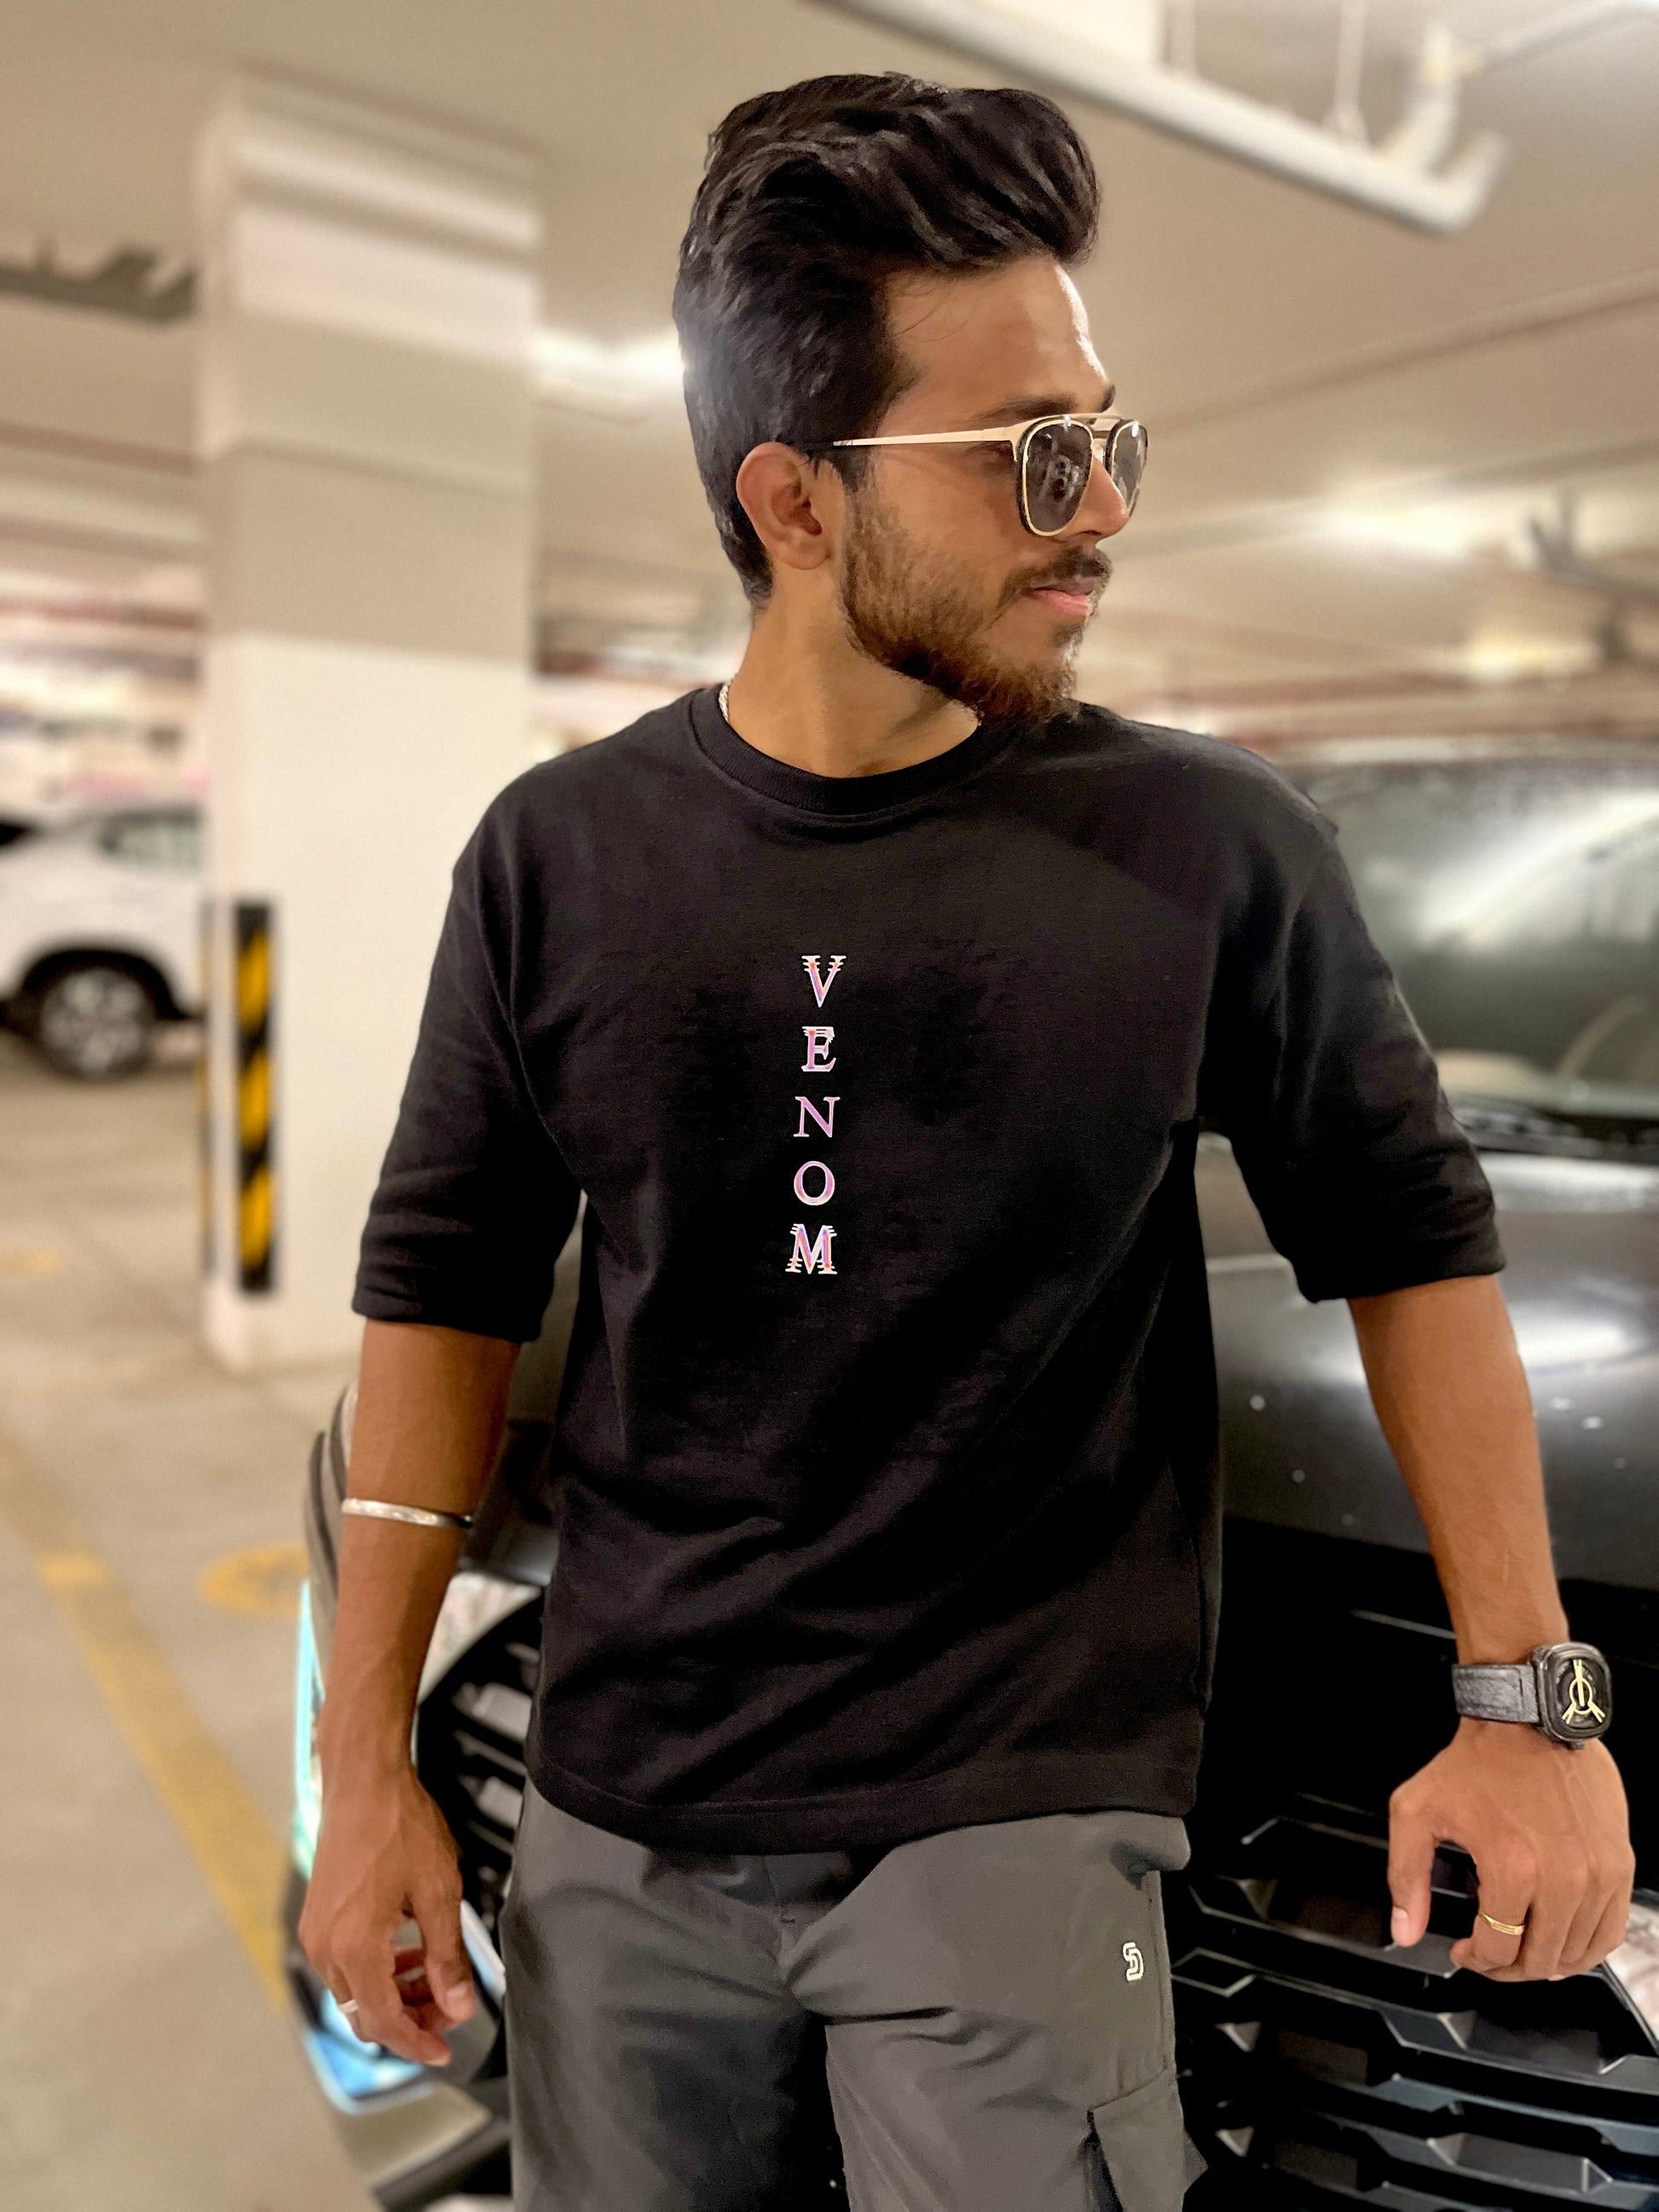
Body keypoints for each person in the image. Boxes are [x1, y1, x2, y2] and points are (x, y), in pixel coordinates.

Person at [299, 72, 1634, 2212]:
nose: (1100, 508)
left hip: (1010, 1822)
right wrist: (363, 1765)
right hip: (622, 1815)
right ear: (797, 501)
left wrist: (1528, 1699)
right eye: (1033, 458)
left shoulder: (1204, 847)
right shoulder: (558, 858)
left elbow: (1412, 1245)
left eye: (1108, 438)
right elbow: (436, 1303)